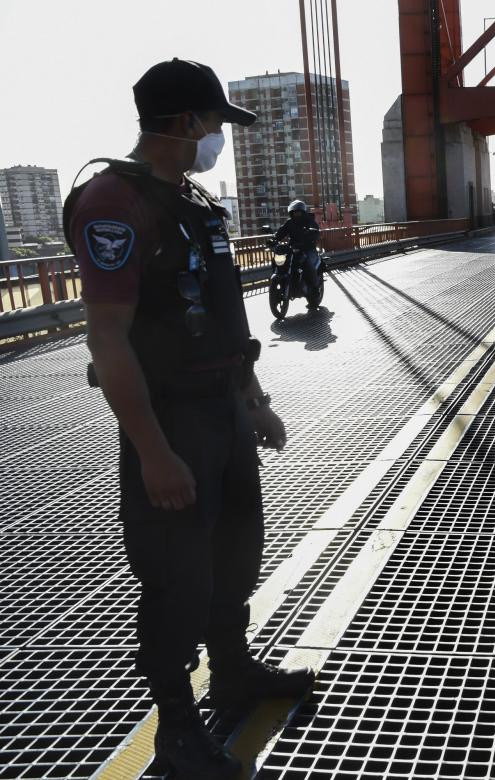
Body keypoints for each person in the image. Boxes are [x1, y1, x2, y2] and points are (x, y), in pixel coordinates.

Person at [63, 59, 314, 778]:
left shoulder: (195, 203)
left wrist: (254, 401)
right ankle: (177, 729)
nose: (217, 137)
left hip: (224, 414)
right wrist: (152, 452)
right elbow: (107, 336)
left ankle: (233, 673)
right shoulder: (113, 203)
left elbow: (228, 321)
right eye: (212, 123)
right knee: (176, 579)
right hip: (169, 422)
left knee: (236, 557)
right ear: (183, 123)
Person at [274, 199, 322, 299]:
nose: (297, 214)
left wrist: (312, 232)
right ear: (291, 213)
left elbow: (316, 230)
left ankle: (316, 288)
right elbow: (280, 233)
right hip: (293, 249)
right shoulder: (289, 223)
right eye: (294, 212)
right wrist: (273, 239)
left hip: (308, 248)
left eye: (299, 212)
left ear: (303, 212)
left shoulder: (309, 220)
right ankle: (282, 278)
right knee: (281, 260)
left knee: (308, 264)